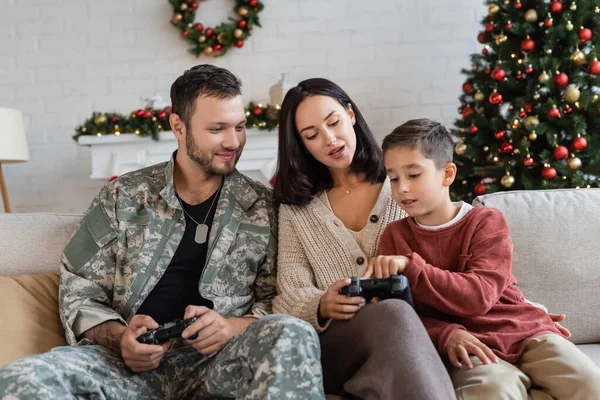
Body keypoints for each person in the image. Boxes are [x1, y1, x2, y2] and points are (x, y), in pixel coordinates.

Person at [0, 65, 324, 400]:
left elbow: (279, 299)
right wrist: (119, 337)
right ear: (178, 126)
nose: (233, 141)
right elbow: (80, 289)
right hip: (121, 366)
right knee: (22, 379)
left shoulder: (264, 207)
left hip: (222, 363)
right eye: (217, 128)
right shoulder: (121, 197)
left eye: (239, 127)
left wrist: (230, 328)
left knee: (292, 333)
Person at [368, 118, 600, 399]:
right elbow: (396, 314)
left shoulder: (485, 221)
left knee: (588, 382)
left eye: (413, 175)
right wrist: (445, 333)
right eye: (393, 178)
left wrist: (412, 266)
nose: (401, 187)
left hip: (525, 332)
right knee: (493, 391)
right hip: (468, 344)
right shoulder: (394, 237)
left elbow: (478, 295)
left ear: (447, 174)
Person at [271, 78, 456, 400]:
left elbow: (456, 245)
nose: (330, 139)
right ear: (301, 145)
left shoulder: (405, 184)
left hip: (409, 336)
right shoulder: (296, 209)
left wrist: (516, 305)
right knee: (393, 314)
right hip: (336, 343)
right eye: (312, 135)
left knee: (396, 315)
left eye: (334, 122)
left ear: (351, 114)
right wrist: (321, 304)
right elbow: (288, 291)